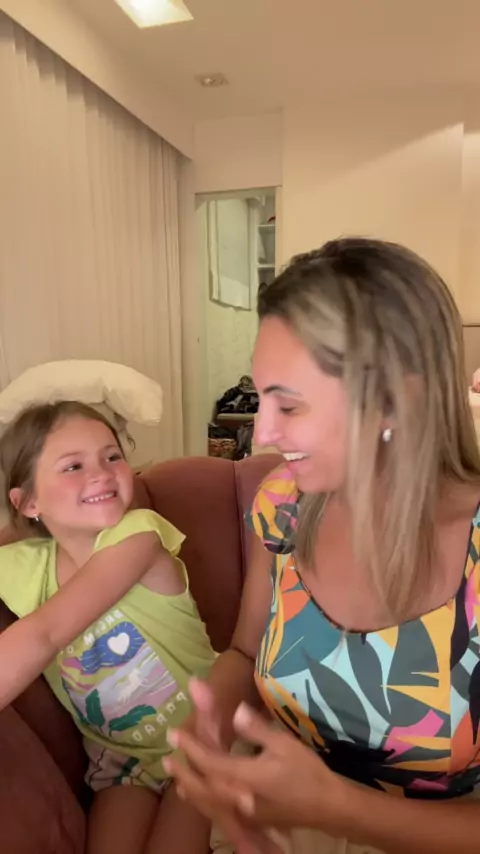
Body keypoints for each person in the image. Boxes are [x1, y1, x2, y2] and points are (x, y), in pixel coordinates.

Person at [165, 238, 480, 854]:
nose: (263, 431)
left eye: (289, 403)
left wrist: (339, 810)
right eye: (262, 397)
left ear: (394, 398)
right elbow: (244, 650)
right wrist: (206, 730)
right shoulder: (284, 503)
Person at [0, 401, 216, 854]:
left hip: (207, 736)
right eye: (73, 466)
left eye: (112, 456)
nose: (101, 473)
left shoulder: (139, 535)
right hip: (122, 762)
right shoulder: (23, 567)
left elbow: (45, 633)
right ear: (29, 502)